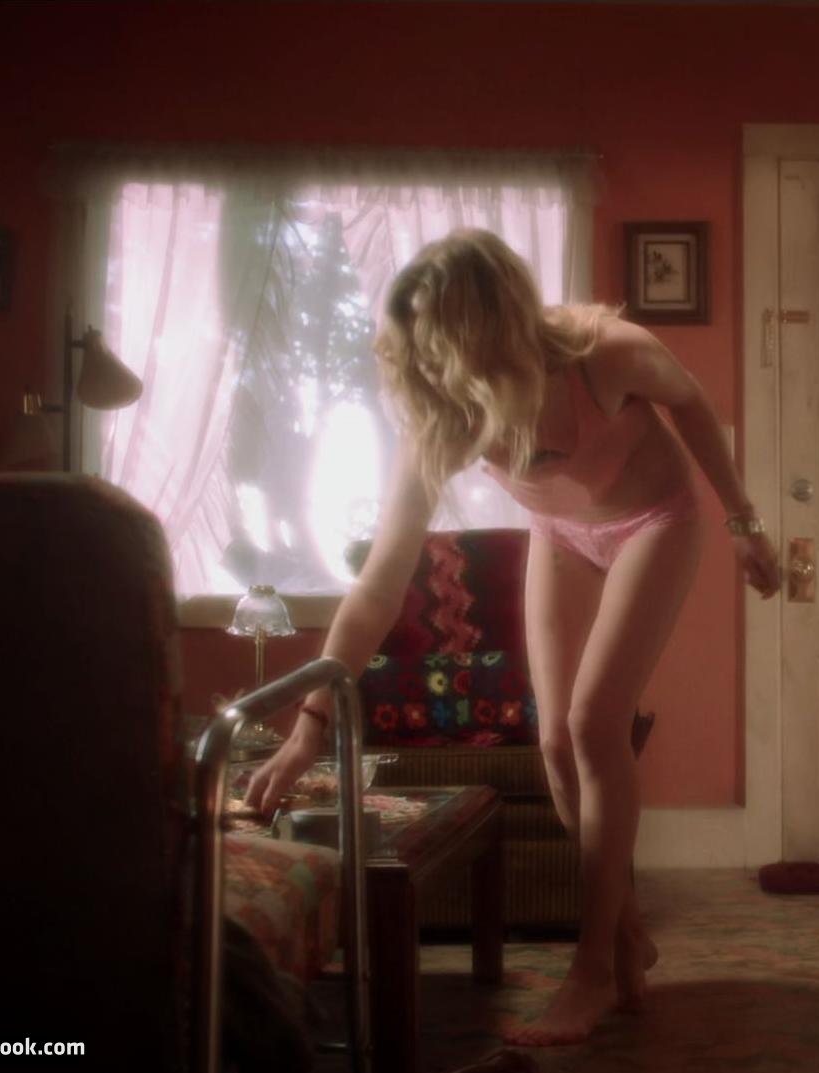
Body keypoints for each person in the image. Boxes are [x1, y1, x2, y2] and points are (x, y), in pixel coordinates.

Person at [243, 228, 782, 1045]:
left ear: (500, 334)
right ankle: (626, 933)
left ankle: (592, 967)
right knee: (554, 742)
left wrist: (744, 522)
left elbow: (692, 403)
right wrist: (308, 728)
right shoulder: (443, 415)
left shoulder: (607, 354)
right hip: (562, 534)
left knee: (594, 723)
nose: (442, 385)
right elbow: (379, 587)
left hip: (654, 521)